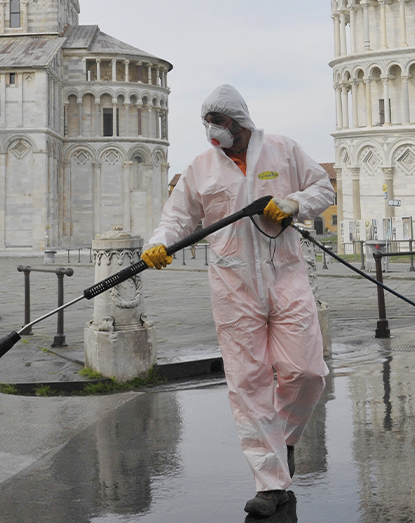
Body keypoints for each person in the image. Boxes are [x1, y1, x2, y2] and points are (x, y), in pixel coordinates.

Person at [142, 85, 334, 518]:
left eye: (220, 123)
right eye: (208, 124)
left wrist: (293, 203)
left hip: (285, 275)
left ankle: (281, 441)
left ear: (239, 122)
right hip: (233, 284)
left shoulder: (283, 151)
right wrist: (159, 244)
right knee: (247, 383)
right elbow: (177, 217)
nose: (213, 132)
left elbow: (324, 188)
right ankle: (270, 483)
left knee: (307, 371)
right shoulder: (201, 168)